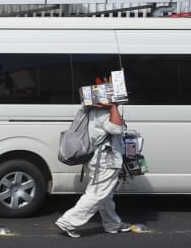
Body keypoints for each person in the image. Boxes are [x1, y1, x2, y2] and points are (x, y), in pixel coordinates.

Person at [55, 100, 134, 237]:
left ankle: (112, 223)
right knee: (97, 193)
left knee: (105, 194)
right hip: (105, 160)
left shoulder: (88, 110)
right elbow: (117, 128)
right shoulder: (103, 112)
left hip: (97, 159)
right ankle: (68, 222)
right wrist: (112, 107)